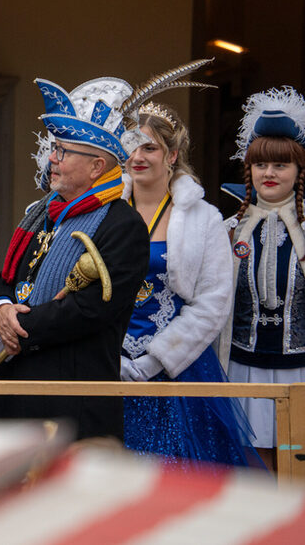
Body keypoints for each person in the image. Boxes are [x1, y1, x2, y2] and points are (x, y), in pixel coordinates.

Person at [0, 72, 156, 440]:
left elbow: (91, 309)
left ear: (97, 166)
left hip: (72, 398)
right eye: (54, 148)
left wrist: (18, 326)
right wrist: (1, 309)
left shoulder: (124, 225)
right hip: (15, 389)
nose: (52, 158)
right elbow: (6, 279)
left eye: (63, 151)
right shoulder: (41, 212)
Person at [119, 103, 259, 467]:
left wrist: (157, 360)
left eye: (149, 147)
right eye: (131, 146)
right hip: (109, 367)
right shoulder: (105, 209)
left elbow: (213, 302)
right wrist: (106, 353)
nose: (137, 156)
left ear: (172, 154)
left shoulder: (203, 219)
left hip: (177, 370)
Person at [221, 85, 305, 470]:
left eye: (280, 165)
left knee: (296, 466)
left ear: (298, 171)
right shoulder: (226, 232)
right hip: (242, 369)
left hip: (300, 372)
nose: (268, 173)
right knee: (253, 468)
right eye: (260, 165)